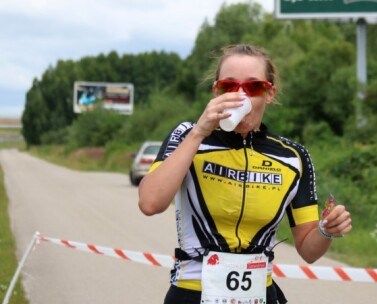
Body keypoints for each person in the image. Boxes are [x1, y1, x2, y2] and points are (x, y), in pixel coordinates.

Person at [138, 44, 352, 304]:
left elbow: (308, 250)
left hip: (260, 294)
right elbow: (150, 203)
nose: (240, 95)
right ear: (216, 91)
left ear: (269, 93)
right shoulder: (188, 135)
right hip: (193, 292)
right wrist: (199, 132)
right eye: (229, 86)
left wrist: (327, 229)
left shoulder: (292, 156)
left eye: (253, 87)